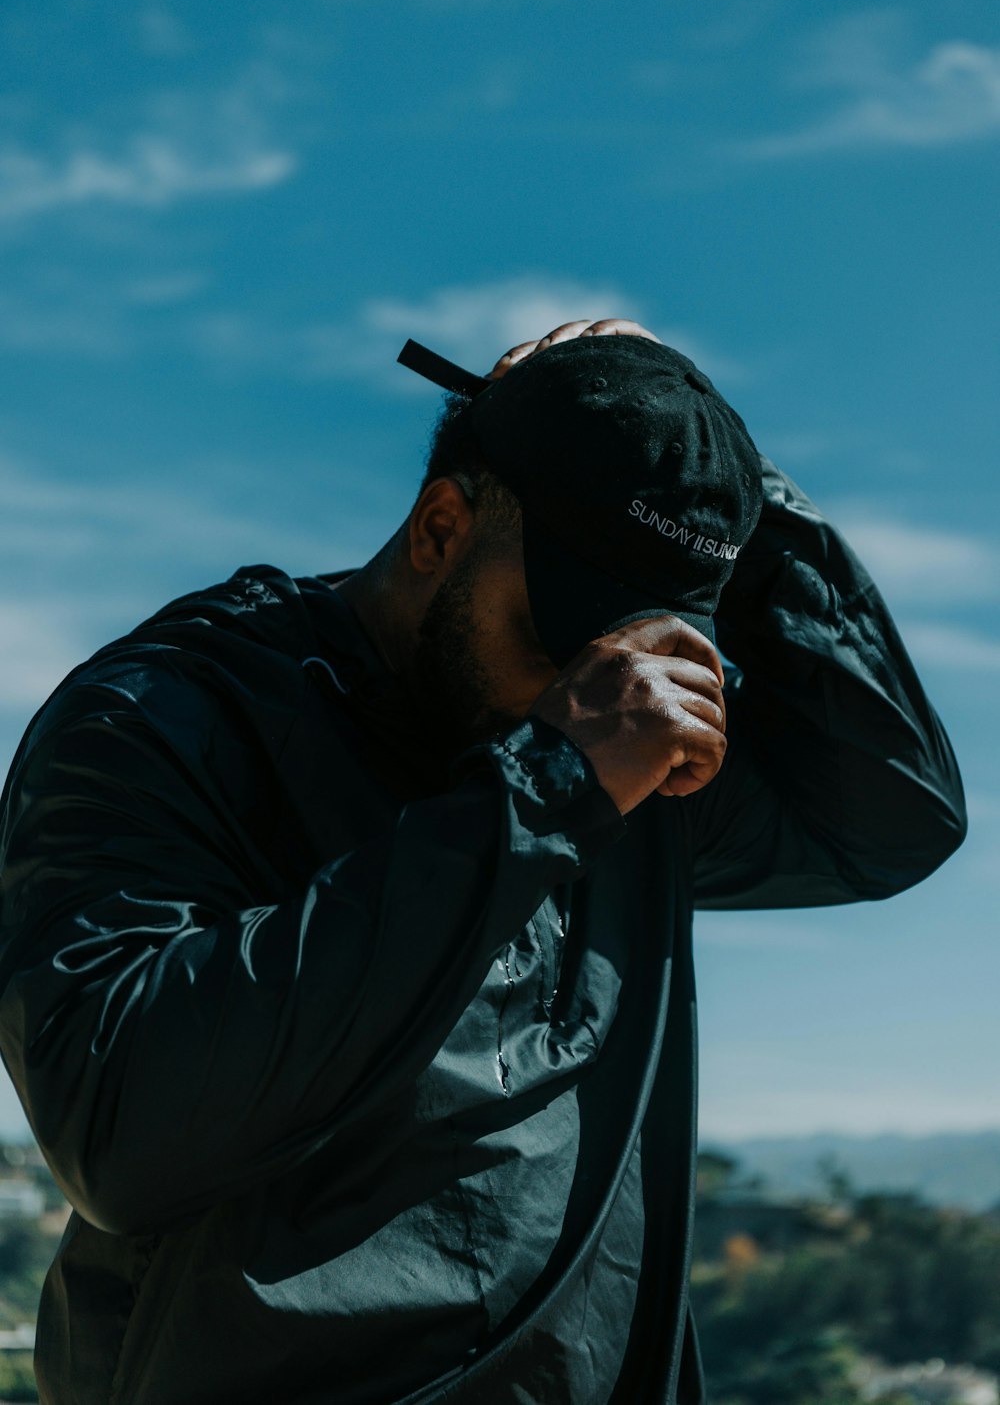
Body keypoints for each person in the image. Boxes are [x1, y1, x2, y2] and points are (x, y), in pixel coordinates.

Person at [0, 319, 965, 1405]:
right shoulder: (167, 717)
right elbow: (120, 1127)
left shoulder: (628, 738)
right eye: (555, 638)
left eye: (634, 643)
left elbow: (892, 820)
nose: (591, 681)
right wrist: (549, 782)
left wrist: (717, 474)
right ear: (439, 527)